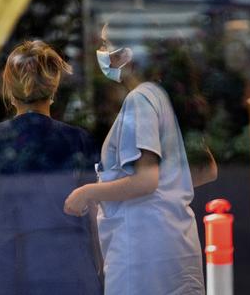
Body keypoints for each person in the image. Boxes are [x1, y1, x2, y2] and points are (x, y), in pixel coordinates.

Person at [64, 19, 218, 294]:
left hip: (142, 248)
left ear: (128, 53)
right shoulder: (171, 98)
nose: (102, 51)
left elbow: (145, 181)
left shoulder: (141, 100)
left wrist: (88, 192)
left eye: (106, 44)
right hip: (176, 241)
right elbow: (206, 171)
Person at [0, 40, 102, 295]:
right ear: (53, 88)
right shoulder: (77, 140)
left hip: (10, 275)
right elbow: (95, 212)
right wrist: (103, 265)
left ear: (9, 88)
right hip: (72, 274)